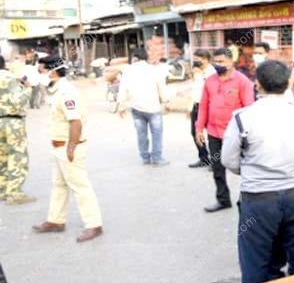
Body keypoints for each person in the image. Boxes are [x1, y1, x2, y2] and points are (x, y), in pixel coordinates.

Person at [221, 60, 294, 283]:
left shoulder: (242, 117)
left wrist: (252, 170)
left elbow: (228, 160)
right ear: (288, 83)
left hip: (258, 199)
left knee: (256, 265)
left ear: (258, 84)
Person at [32, 56, 103, 243]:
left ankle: (94, 225)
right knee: (59, 185)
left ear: (52, 71)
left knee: (80, 187)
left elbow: (76, 123)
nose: (39, 74)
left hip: (68, 147)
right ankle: (56, 221)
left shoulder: (66, 92)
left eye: (41, 70)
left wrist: (71, 149)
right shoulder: (55, 91)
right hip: (57, 146)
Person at [195, 48, 255, 213]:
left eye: (221, 61)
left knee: (246, 169)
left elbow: (249, 110)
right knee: (217, 169)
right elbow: (204, 106)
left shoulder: (243, 82)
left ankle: (248, 201)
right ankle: (223, 199)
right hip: (214, 132)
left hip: (236, 135)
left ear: (231, 62)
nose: (217, 64)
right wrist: (199, 128)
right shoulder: (210, 81)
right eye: (215, 61)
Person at [117, 49, 169, 167]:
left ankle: (145, 157)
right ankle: (157, 158)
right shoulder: (154, 69)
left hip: (136, 108)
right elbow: (161, 87)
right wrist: (166, 102)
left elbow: (123, 89)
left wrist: (121, 106)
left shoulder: (128, 70)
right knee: (157, 133)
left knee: (141, 134)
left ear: (134, 58)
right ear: (146, 58)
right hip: (153, 107)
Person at [0, 55, 35, 204]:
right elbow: (16, 101)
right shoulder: (9, 77)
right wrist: (28, 89)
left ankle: (2, 189)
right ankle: (14, 193)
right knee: (17, 156)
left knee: (2, 157)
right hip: (12, 121)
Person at [188, 50, 216, 168]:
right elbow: (196, 90)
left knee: (212, 135)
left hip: (209, 106)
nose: (195, 61)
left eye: (198, 58)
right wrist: (190, 107)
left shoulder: (212, 71)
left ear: (205, 59)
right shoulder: (197, 72)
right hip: (197, 105)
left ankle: (215, 161)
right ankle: (203, 158)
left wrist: (201, 75)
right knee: (195, 132)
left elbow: (212, 88)